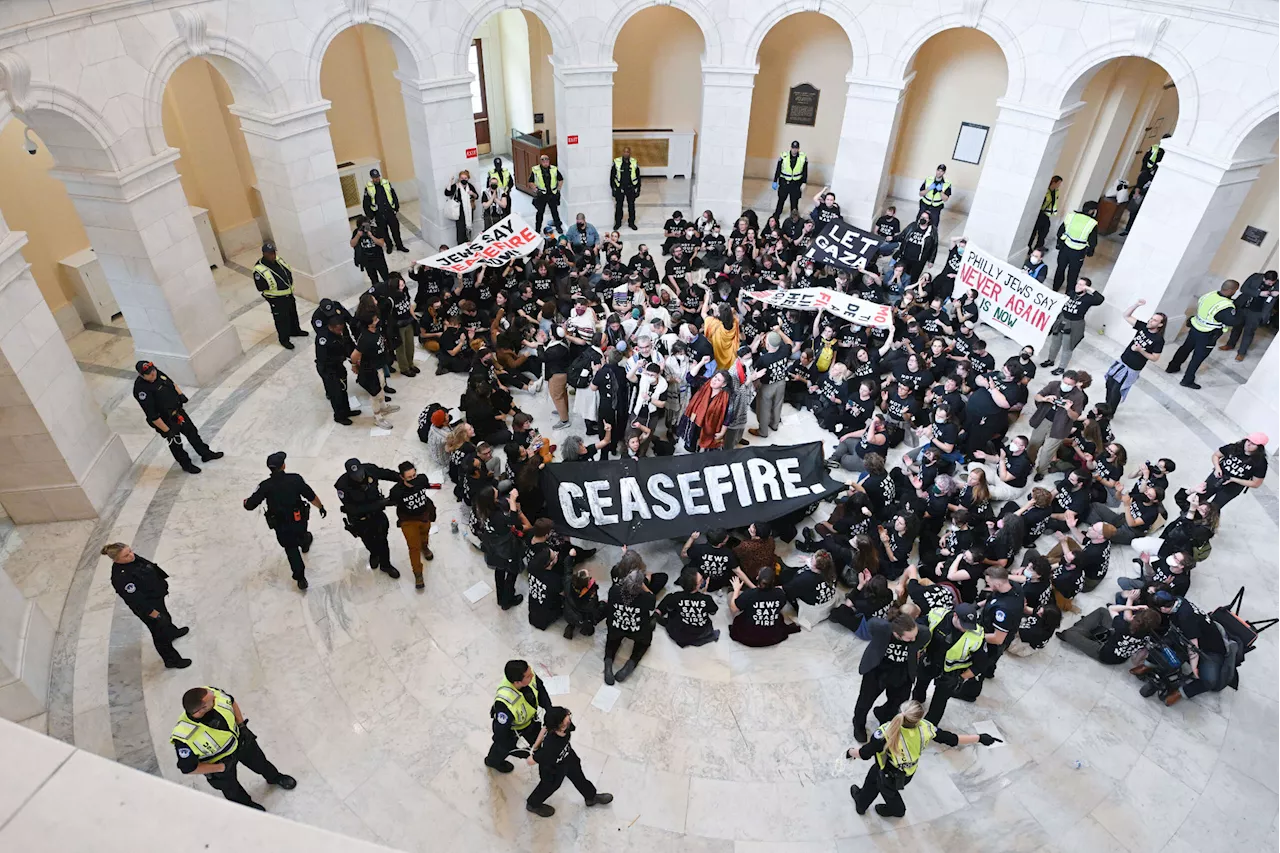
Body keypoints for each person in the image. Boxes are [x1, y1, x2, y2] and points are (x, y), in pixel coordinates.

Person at [846, 699, 998, 818]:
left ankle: (874, 806)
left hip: (887, 771)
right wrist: (979, 738)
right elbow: (953, 739)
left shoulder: (885, 733)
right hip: (908, 773)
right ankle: (874, 803)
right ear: (918, 718)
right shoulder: (926, 728)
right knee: (880, 784)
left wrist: (850, 752)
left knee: (880, 784)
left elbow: (864, 753)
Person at [171, 686, 296, 810]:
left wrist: (242, 726)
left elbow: (231, 701)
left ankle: (275, 777)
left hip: (241, 742)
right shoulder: (184, 737)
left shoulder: (211, 693)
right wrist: (221, 767)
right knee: (231, 789)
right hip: (220, 763)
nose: (214, 696)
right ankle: (247, 806)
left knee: (260, 762)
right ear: (201, 710)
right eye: (211, 700)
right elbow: (188, 768)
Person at [242, 452, 327, 590]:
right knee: (301, 533)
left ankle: (300, 578)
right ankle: (305, 542)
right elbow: (310, 496)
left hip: (281, 525)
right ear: (284, 465)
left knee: (291, 548)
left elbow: (250, 505)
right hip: (298, 519)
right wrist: (321, 507)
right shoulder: (295, 479)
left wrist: (246, 502)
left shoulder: (265, 486)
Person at [104, 542, 191, 668]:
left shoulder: (132, 559)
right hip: (148, 608)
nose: (131, 555)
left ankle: (172, 632)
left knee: (166, 618)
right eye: (126, 555)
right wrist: (154, 614)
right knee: (159, 633)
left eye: (130, 551)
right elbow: (136, 600)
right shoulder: (121, 578)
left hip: (156, 597)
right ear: (116, 560)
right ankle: (171, 660)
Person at [133, 360, 223, 474]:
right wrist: (167, 431)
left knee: (192, 433)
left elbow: (171, 383)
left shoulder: (156, 373)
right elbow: (152, 416)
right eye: (149, 373)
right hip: (165, 421)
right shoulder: (141, 390)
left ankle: (206, 454)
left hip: (178, 412)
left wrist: (180, 394)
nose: (153, 374)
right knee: (176, 445)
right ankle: (186, 465)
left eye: (153, 370)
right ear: (141, 375)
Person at [850, 612, 929, 743]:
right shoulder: (882, 628)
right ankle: (858, 723)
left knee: (898, 702)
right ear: (897, 634)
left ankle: (884, 714)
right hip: (877, 670)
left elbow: (922, 641)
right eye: (909, 638)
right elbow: (872, 623)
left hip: (902, 671)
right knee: (865, 700)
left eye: (915, 636)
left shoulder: (922, 633)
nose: (914, 640)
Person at [524, 706, 613, 817]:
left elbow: (544, 728)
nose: (569, 719)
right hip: (552, 769)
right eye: (566, 719)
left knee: (579, 777)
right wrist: (535, 752)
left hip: (568, 758)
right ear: (559, 727)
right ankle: (533, 804)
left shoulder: (565, 727)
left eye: (568, 716)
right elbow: (531, 761)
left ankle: (591, 797)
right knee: (549, 786)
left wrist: (535, 745)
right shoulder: (551, 747)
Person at [911, 602, 986, 725]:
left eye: (969, 626)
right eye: (963, 624)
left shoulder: (976, 636)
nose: (966, 629)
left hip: (952, 673)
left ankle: (929, 727)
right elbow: (918, 626)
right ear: (955, 616)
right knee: (919, 688)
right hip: (929, 661)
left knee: (939, 702)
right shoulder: (937, 615)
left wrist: (961, 678)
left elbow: (981, 664)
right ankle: (914, 709)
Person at [1165, 279, 1240, 388]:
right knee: (1198, 357)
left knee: (1185, 348)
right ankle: (1187, 380)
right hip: (1208, 334)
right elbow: (1230, 321)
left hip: (1196, 327)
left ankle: (1172, 367)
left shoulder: (1210, 295)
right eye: (1235, 290)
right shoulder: (1225, 306)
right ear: (1231, 290)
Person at [334, 457, 401, 579]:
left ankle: (385, 564)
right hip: (361, 520)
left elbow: (386, 473)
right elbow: (353, 509)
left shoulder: (369, 469)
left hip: (377, 515)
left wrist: (401, 478)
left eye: (360, 474)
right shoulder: (342, 486)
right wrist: (381, 503)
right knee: (368, 541)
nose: (359, 477)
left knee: (383, 540)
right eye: (355, 476)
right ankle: (374, 553)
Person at [485, 659, 552, 773]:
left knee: (540, 742)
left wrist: (549, 710)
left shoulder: (529, 675)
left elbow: (540, 690)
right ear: (517, 682)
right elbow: (500, 731)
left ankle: (547, 761)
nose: (532, 675)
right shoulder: (504, 702)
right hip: (512, 729)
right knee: (502, 748)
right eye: (528, 676)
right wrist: (516, 751)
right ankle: (493, 761)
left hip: (530, 721)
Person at [1103, 300, 1165, 412]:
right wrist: (1137, 305)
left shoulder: (1158, 340)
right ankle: (1106, 407)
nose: (1150, 321)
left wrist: (1140, 350)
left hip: (1132, 368)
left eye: (1154, 320)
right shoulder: (1143, 327)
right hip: (1122, 361)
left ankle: (1110, 412)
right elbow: (1126, 315)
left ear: (1160, 324)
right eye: (1151, 318)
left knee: (1117, 390)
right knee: (1109, 383)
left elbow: (1155, 358)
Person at [387, 460, 440, 590]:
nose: (413, 479)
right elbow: (393, 502)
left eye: (414, 475)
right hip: (408, 520)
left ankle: (425, 547)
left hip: (424, 515)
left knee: (425, 535)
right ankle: (418, 573)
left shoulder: (421, 480)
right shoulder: (397, 491)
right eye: (409, 477)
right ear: (402, 477)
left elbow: (426, 486)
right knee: (413, 547)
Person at [1027, 370, 1086, 480]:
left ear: (1075, 384)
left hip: (1061, 425)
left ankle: (1042, 471)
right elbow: (1037, 396)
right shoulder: (1053, 385)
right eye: (1065, 382)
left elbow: (1075, 416)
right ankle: (1028, 464)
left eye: (1070, 384)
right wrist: (1045, 398)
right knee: (1033, 444)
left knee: (1047, 451)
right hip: (1044, 419)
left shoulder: (1078, 396)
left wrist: (1068, 409)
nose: (1066, 385)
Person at [603, 562, 656, 683]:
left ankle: (608, 663)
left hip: (617, 625)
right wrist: (644, 586)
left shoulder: (614, 591)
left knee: (612, 641)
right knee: (643, 643)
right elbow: (652, 601)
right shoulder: (646, 598)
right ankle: (631, 664)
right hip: (636, 629)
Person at [1058, 602, 1159, 664]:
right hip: (1120, 655)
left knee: (1069, 633)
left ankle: (1080, 631)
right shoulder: (1149, 633)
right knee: (1102, 611)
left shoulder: (1123, 626)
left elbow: (1112, 608)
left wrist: (1133, 607)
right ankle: (1083, 630)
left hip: (1103, 654)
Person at [1040, 277, 1103, 373]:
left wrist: (1090, 289)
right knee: (1055, 343)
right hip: (1062, 320)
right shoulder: (1071, 293)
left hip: (1074, 324)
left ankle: (1061, 368)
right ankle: (1050, 360)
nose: (1078, 286)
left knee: (1067, 347)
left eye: (1081, 284)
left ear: (1086, 287)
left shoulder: (1088, 298)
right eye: (1078, 283)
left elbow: (1100, 299)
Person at [252, 241, 308, 348]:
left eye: (273, 252)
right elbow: (260, 287)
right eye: (270, 253)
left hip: (288, 294)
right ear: (264, 254)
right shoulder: (259, 269)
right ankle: (284, 339)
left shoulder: (278, 260)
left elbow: (287, 271)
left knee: (292, 314)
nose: (273, 255)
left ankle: (295, 330)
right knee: (282, 319)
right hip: (276, 299)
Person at [728, 565, 800, 647]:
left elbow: (734, 609)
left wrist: (736, 589)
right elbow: (781, 606)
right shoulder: (780, 594)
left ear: (757, 578)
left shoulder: (749, 594)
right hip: (773, 636)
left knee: (730, 597)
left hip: (749, 637)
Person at [1221, 269, 1279, 360]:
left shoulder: (1277, 285)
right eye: (1269, 282)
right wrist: (1259, 293)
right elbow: (1244, 288)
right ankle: (1230, 344)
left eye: (1272, 283)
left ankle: (1241, 353)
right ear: (1264, 278)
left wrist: (1277, 294)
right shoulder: (1255, 277)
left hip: (1257, 312)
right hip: (1243, 307)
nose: (1270, 284)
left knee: (1249, 332)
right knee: (1236, 327)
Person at [657, 566, 720, 647]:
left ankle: (657, 612)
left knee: (670, 601)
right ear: (696, 586)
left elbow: (670, 608)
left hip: (680, 632)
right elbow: (713, 612)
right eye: (701, 581)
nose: (703, 581)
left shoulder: (676, 597)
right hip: (700, 632)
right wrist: (704, 594)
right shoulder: (707, 599)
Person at [1202, 433, 1269, 508]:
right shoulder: (1233, 448)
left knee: (1214, 507)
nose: (1248, 444)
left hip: (1232, 488)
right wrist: (1217, 468)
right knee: (1199, 497)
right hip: (1216, 477)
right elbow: (1216, 455)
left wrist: (1233, 479)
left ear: (1259, 447)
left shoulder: (1260, 463)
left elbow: (1256, 483)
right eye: (1248, 441)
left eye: (1253, 444)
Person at [316, 314, 359, 425]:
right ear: (331, 327)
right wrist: (341, 358)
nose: (341, 332)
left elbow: (344, 346)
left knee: (343, 389)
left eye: (341, 329)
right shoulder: (323, 338)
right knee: (336, 394)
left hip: (338, 366)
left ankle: (346, 411)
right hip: (328, 369)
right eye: (338, 329)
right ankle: (339, 416)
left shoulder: (339, 333)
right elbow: (322, 358)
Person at [1052, 201, 1099, 291]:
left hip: (1065, 248)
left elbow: (1061, 231)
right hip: (1078, 252)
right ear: (1092, 211)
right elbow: (1092, 241)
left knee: (1060, 268)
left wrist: (1060, 243)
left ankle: (1055, 288)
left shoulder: (1071, 216)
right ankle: (1069, 292)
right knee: (1073, 273)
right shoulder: (1092, 223)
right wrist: (1090, 250)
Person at [362, 167, 408, 252]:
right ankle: (389, 246)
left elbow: (393, 195)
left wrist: (396, 207)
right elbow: (366, 203)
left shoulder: (386, 183)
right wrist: (371, 216)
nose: (377, 179)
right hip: (379, 214)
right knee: (384, 232)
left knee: (395, 230)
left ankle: (399, 245)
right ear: (372, 178)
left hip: (389, 211)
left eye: (378, 177)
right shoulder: (368, 188)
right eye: (375, 177)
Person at [772, 140, 808, 219]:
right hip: (784, 182)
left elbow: (805, 171)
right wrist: (775, 180)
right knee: (781, 199)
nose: (795, 150)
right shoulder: (784, 156)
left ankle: (794, 217)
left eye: (796, 148)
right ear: (791, 148)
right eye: (793, 148)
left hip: (796, 183)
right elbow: (778, 169)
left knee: (794, 202)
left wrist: (804, 182)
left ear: (798, 149)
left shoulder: (803, 157)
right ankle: (777, 214)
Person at [530, 153, 564, 234]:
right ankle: (537, 229)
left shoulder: (554, 169)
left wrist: (558, 190)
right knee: (540, 213)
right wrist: (536, 191)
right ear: (541, 162)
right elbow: (531, 182)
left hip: (552, 193)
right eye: (543, 160)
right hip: (541, 195)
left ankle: (558, 226)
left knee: (554, 211)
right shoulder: (536, 170)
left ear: (549, 161)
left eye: (547, 160)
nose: (545, 162)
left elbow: (560, 179)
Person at [1028, 175, 1062, 252]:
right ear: (1054, 182)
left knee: (1044, 231)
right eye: (1059, 183)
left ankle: (1039, 247)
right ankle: (1029, 247)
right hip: (1039, 214)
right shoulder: (1045, 191)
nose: (1059, 185)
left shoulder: (1055, 192)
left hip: (1046, 215)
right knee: (1034, 232)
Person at [444, 170, 479, 244]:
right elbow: (447, 193)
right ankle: (460, 244)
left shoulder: (470, 186)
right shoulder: (456, 186)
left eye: (465, 178)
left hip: (469, 211)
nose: (463, 180)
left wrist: (472, 193)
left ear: (468, 178)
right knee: (460, 230)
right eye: (462, 178)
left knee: (468, 229)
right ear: (459, 178)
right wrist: (450, 182)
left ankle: (468, 242)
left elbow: (477, 196)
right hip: (459, 212)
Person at [611, 146, 641, 230]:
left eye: (628, 152)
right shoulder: (617, 162)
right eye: (625, 152)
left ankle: (631, 223)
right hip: (619, 187)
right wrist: (613, 188)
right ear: (622, 153)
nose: (626, 153)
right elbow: (612, 176)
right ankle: (618, 223)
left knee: (631, 206)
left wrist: (638, 188)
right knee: (619, 206)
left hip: (630, 188)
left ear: (630, 153)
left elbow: (638, 176)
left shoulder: (634, 162)